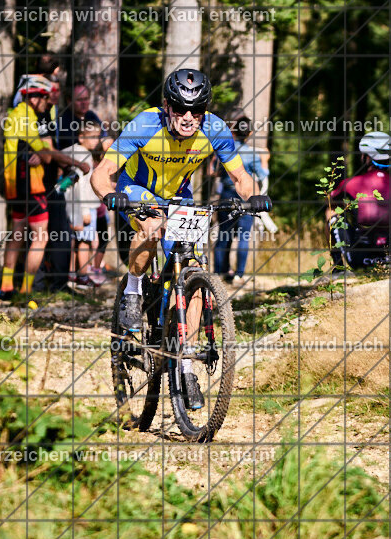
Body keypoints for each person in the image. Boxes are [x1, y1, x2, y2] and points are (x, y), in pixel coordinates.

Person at [90, 68, 272, 342]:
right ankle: (132, 290)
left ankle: (183, 359)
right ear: (166, 105)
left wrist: (254, 197)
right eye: (180, 109)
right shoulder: (145, 125)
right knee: (152, 226)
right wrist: (108, 194)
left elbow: (240, 176)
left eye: (197, 110)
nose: (188, 118)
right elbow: (101, 172)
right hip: (137, 188)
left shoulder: (214, 129)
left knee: (194, 269)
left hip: (177, 196)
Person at [0, 76, 89, 301]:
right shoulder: (28, 117)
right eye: (44, 97)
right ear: (34, 97)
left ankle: (6, 286)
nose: (46, 100)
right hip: (32, 184)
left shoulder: (14, 114)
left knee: (17, 233)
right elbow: (48, 156)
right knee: (40, 236)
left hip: (14, 186)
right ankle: (26, 290)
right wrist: (78, 163)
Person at [326, 132, 391, 270]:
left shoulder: (352, 183)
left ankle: (337, 266)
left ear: (367, 158)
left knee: (331, 210)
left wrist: (351, 208)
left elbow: (331, 200)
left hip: (358, 258)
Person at [212, 115, 269, 283]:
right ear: (249, 133)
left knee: (224, 235)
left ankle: (218, 273)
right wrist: (265, 161)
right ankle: (239, 274)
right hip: (246, 196)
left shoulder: (225, 150)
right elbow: (262, 174)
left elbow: (214, 172)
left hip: (227, 195)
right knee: (244, 236)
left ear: (233, 132)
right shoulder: (252, 153)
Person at [60, 120, 105, 288]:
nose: (96, 141)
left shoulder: (73, 151)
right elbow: (80, 185)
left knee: (73, 240)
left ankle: (71, 273)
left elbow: (59, 156)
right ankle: (83, 276)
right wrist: (85, 210)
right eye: (92, 137)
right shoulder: (83, 154)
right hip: (84, 207)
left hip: (72, 206)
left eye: (97, 137)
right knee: (85, 241)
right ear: (81, 137)